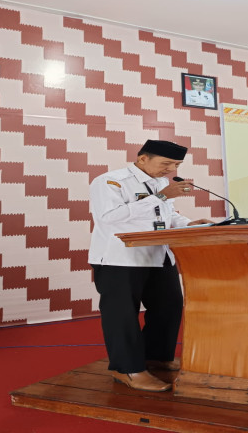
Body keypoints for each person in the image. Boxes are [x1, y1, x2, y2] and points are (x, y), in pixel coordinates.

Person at [89, 139, 211, 392]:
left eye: (176, 165)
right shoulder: (110, 181)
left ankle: (156, 357)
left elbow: (166, 215)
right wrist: (161, 196)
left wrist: (188, 224)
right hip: (120, 258)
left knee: (169, 306)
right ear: (143, 158)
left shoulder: (159, 183)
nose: (171, 170)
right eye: (166, 163)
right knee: (122, 314)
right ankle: (127, 369)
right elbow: (109, 217)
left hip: (158, 255)